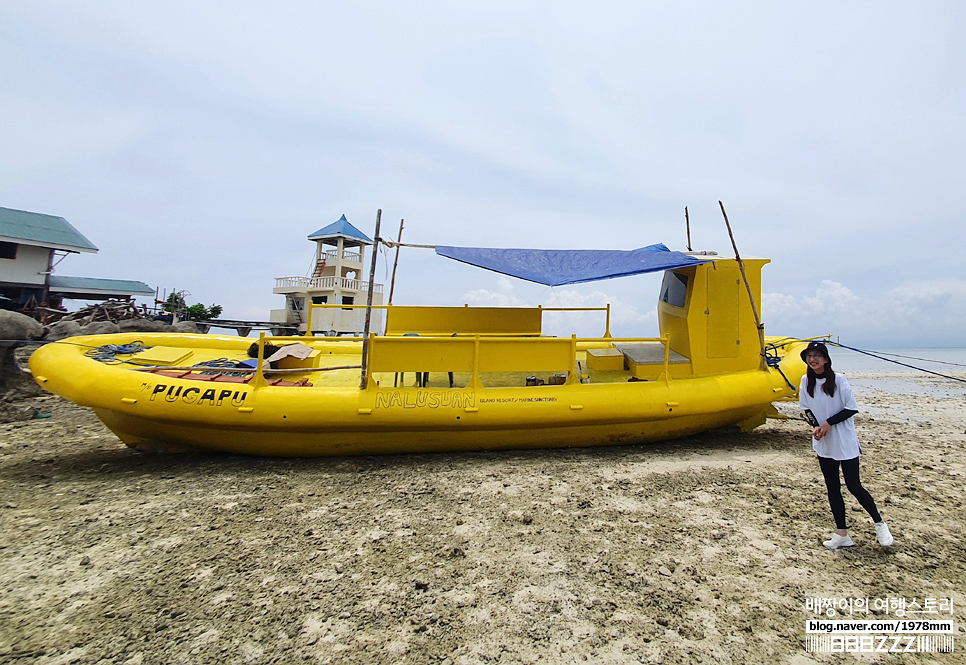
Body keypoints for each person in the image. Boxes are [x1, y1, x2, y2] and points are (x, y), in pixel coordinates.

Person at [798, 341, 894, 550]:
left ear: (825, 359)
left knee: (854, 486)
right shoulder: (806, 381)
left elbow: (851, 409)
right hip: (823, 442)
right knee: (832, 487)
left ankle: (880, 524)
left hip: (844, 440)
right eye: (809, 355)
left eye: (817, 355)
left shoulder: (839, 380)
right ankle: (842, 535)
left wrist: (827, 423)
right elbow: (806, 410)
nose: (812, 359)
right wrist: (815, 426)